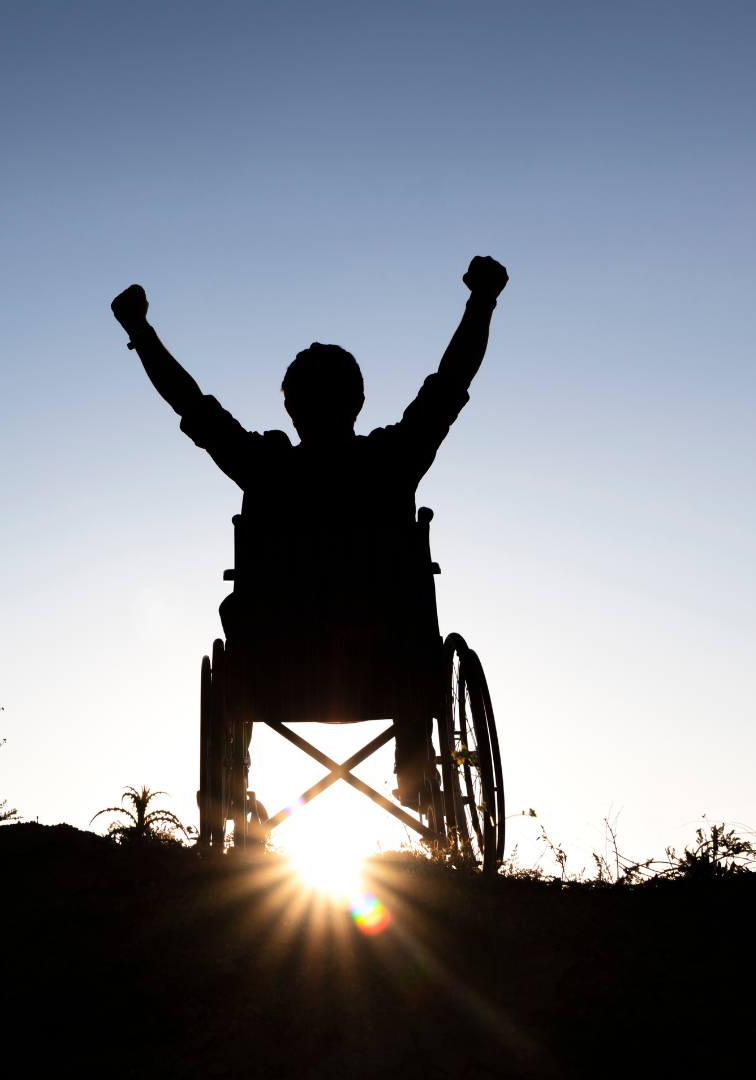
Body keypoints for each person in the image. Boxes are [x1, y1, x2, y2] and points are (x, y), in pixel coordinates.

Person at [112, 257, 508, 811]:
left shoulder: (265, 468)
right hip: (392, 670)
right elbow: (450, 384)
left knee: (238, 612)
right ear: (359, 403)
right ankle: (416, 777)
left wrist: (140, 333)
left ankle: (233, 775)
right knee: (412, 611)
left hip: (276, 674)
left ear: (291, 408)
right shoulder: (392, 461)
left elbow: (193, 407)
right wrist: (482, 301)